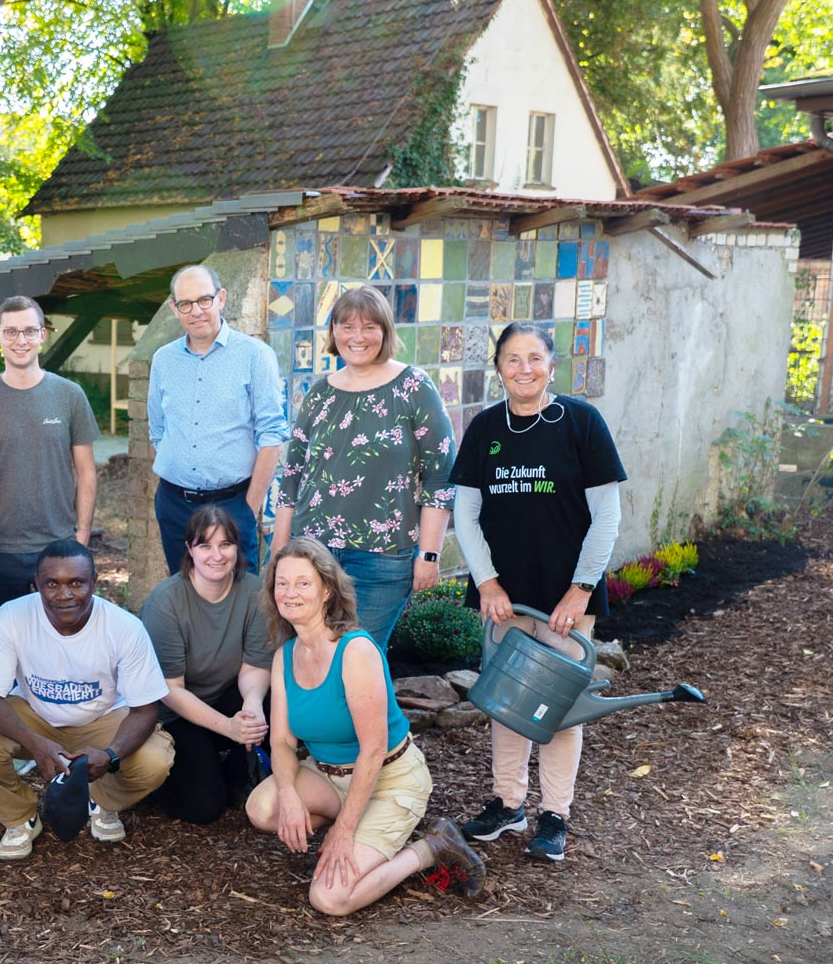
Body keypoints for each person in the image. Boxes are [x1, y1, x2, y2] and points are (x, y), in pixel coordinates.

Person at [451, 322, 626, 864]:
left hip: (563, 602)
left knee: (558, 707)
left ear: (552, 364)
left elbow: (607, 517)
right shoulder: (484, 429)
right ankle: (508, 804)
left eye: (534, 358)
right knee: (507, 705)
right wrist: (485, 581)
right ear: (498, 367)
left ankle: (555, 814)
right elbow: (466, 513)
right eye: (511, 359)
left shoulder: (581, 423)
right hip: (505, 598)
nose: (523, 369)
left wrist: (579, 591)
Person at [245, 538, 485, 916]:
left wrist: (342, 833)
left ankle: (432, 848)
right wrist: (290, 796)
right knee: (263, 807)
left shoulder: (354, 650)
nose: (290, 593)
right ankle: (358, 828)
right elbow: (281, 742)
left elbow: (373, 749)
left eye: (303, 583)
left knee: (330, 898)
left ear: (326, 590)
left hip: (389, 778)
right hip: (329, 777)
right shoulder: (285, 656)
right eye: (282, 583)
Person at [0, 539, 174, 860]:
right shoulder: (13, 616)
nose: (64, 594)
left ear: (94, 583)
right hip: (35, 716)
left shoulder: (125, 628)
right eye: (52, 584)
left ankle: (101, 802)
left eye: (76, 583)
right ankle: (20, 817)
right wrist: (34, 743)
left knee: (155, 759)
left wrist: (110, 755)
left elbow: (145, 710)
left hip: (102, 719)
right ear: (37, 585)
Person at [272, 286, 455, 653]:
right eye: (347, 326)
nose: (357, 336)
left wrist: (429, 554)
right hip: (312, 555)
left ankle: (375, 714)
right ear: (334, 332)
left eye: (369, 326)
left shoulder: (413, 387)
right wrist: (280, 551)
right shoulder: (320, 394)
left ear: (385, 331)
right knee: (312, 653)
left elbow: (441, 477)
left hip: (383, 561)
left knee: (360, 656)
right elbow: (291, 479)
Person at [0, 296, 99, 616]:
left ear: (42, 335)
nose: (20, 341)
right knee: (9, 644)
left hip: (58, 545)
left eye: (29, 331)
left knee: (61, 641)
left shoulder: (70, 396)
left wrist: (80, 537)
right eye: (11, 332)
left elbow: (86, 472)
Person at [146, 265, 287, 575]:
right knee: (184, 593)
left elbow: (272, 435)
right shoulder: (163, 359)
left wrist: (248, 509)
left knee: (239, 601)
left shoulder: (255, 356)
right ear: (174, 308)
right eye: (185, 304)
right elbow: (158, 430)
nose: (196, 311)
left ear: (221, 298)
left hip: (234, 504)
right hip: (174, 505)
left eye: (204, 300)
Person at [138, 504, 271, 825]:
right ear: (189, 549)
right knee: (204, 807)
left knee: (276, 698)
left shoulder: (254, 591)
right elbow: (171, 691)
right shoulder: (165, 603)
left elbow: (254, 666)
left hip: (226, 694)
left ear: (238, 547)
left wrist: (252, 708)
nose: (217, 555)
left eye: (226, 544)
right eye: (205, 545)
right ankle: (172, 778)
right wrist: (228, 727)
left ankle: (240, 772)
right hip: (176, 712)